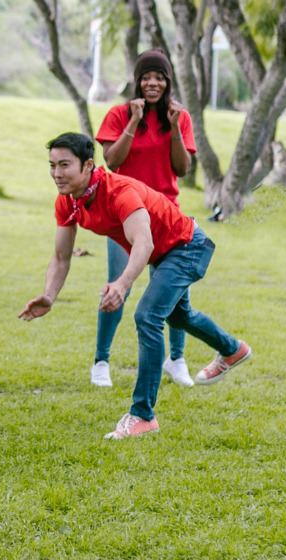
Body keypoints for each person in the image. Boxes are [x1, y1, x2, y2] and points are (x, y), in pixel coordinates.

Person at [19, 133, 253, 440]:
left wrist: (121, 284)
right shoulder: (68, 202)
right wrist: (49, 296)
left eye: (65, 165)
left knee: (148, 316)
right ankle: (232, 349)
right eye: (52, 165)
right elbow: (62, 256)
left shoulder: (119, 192)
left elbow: (144, 242)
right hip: (165, 252)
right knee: (178, 317)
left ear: (88, 165)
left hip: (186, 246)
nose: (57, 174)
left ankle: (143, 415)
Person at [89, 49, 197, 388]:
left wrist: (176, 127)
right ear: (138, 81)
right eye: (146, 77)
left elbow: (182, 168)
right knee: (117, 281)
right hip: (124, 211)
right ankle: (101, 362)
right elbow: (112, 163)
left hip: (165, 212)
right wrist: (135, 121)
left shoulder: (180, 117)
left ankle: (176, 359)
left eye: (159, 77)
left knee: (174, 289)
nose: (152, 83)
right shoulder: (120, 114)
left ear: (167, 82)